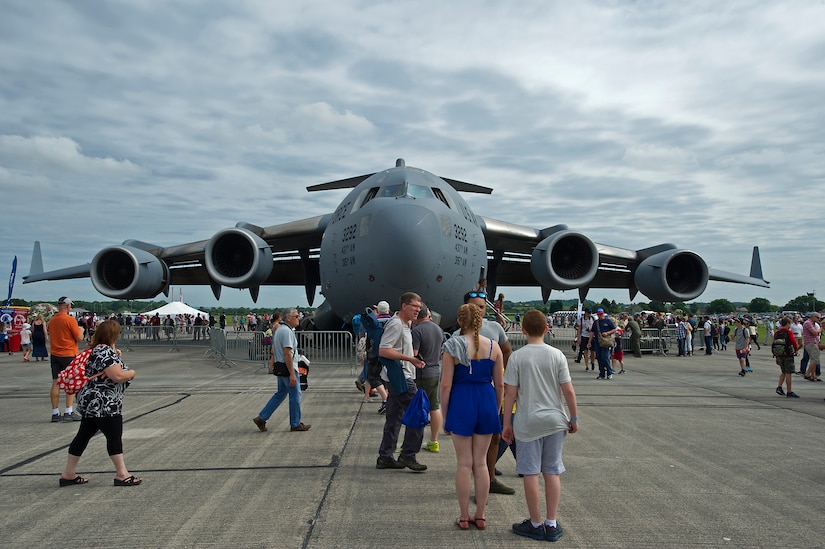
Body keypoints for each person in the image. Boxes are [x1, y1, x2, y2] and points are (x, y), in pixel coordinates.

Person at [502, 309, 579, 542]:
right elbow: (568, 390)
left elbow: (510, 394)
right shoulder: (557, 355)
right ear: (547, 329)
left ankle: (535, 523)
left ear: (522, 330)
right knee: (552, 471)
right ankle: (551, 523)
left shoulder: (517, 357)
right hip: (555, 420)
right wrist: (573, 418)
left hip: (528, 422)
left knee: (531, 473)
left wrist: (507, 423)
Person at [441, 303, 504, 531]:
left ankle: (464, 515)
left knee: (464, 464)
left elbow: (446, 385)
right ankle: (481, 514)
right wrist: (495, 409)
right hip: (486, 401)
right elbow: (499, 385)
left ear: (459, 321)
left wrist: (446, 415)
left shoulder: (452, 346)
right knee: (481, 464)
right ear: (480, 321)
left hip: (462, 402)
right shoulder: (494, 347)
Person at [59, 319, 140, 487]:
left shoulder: (95, 350)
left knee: (82, 436)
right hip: (105, 403)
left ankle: (68, 473)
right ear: (114, 335)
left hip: (90, 402)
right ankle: (122, 474)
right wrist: (132, 373)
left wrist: (114, 353)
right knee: (113, 437)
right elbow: (116, 376)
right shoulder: (105, 353)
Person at [460, 290, 515, 495]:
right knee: (473, 440)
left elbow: (507, 351)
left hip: (491, 389)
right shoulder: (460, 334)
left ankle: (489, 479)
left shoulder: (494, 328)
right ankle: (478, 486)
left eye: (482, 307)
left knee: (494, 437)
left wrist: (507, 376)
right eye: (475, 307)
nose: (479, 311)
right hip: (469, 392)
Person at [375, 292, 428, 472]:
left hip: (397, 377)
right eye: (415, 306)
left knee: (394, 418)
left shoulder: (406, 324)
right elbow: (383, 350)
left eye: (419, 307)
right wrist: (410, 358)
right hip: (401, 378)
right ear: (404, 306)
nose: (418, 310)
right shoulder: (396, 324)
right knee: (418, 415)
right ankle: (408, 455)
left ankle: (385, 456)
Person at [252, 308, 311, 432]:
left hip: (281, 367)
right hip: (288, 368)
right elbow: (287, 353)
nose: (298, 318)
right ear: (288, 318)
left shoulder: (280, 330)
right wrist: (292, 374)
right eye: (296, 316)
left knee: (280, 394)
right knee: (295, 395)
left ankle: (262, 418)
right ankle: (295, 423)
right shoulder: (286, 332)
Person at [412, 304, 446, 453]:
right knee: (434, 406)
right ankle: (434, 441)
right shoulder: (438, 329)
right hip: (435, 371)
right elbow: (443, 350)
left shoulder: (417, 331)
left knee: (417, 408)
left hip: (421, 373)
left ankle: (413, 442)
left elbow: (414, 353)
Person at [48, 297, 84, 422]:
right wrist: (81, 331)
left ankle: (55, 412)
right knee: (70, 383)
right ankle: (68, 411)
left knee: (56, 382)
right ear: (68, 306)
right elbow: (79, 338)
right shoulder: (70, 320)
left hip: (55, 354)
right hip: (68, 353)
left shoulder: (52, 321)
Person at [773, 316, 799, 398]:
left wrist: (776, 356)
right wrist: (796, 350)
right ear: (787, 323)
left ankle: (779, 386)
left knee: (783, 371)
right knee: (788, 373)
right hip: (788, 354)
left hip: (779, 354)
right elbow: (794, 342)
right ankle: (789, 391)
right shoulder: (788, 332)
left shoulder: (777, 333)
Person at [588, 308, 616, 379]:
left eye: (601, 314)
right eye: (599, 314)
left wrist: (607, 333)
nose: (600, 315)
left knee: (605, 357)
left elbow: (614, 329)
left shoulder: (608, 321)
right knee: (599, 357)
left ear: (603, 313)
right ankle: (602, 373)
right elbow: (592, 332)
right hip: (598, 342)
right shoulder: (596, 322)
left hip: (606, 342)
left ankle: (609, 372)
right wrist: (589, 342)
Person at [802, 312, 822, 382]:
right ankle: (807, 374)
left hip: (813, 342)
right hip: (810, 343)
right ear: (813, 317)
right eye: (817, 317)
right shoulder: (808, 323)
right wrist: (821, 328)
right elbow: (815, 333)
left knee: (813, 359)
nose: (818, 319)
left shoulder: (813, 324)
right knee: (815, 359)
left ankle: (813, 376)